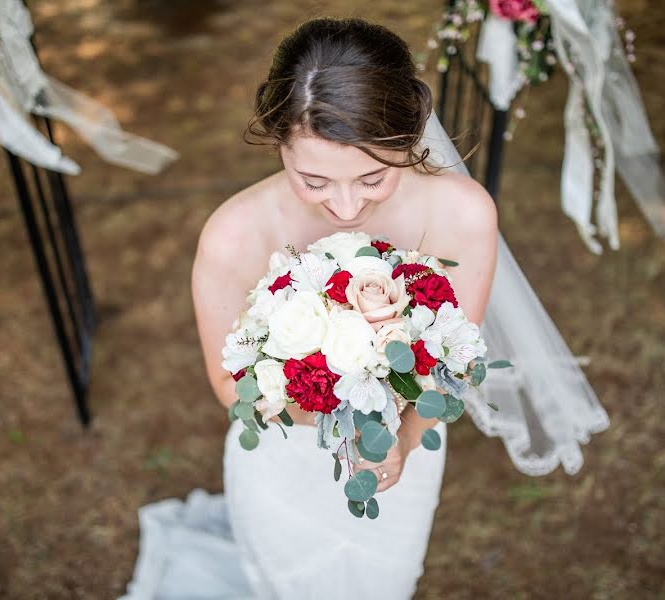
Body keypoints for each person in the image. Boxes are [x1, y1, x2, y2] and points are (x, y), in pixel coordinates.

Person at [120, 16, 608, 600]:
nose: (346, 206)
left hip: (408, 449)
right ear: (278, 141)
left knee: (385, 578)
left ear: (410, 136)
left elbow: (449, 364)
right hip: (285, 457)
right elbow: (230, 384)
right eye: (314, 181)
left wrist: (399, 441)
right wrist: (340, 419)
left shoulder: (463, 215)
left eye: (374, 177)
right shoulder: (234, 234)